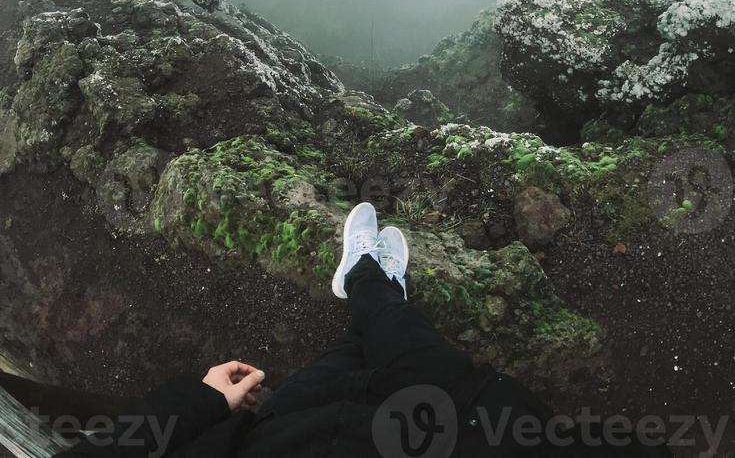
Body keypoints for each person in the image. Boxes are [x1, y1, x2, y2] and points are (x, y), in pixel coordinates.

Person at [54, 203, 671, 457]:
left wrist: (204, 401)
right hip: (468, 430)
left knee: (340, 366)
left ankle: (366, 281)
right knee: (399, 353)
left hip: (278, 437)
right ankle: (370, 283)